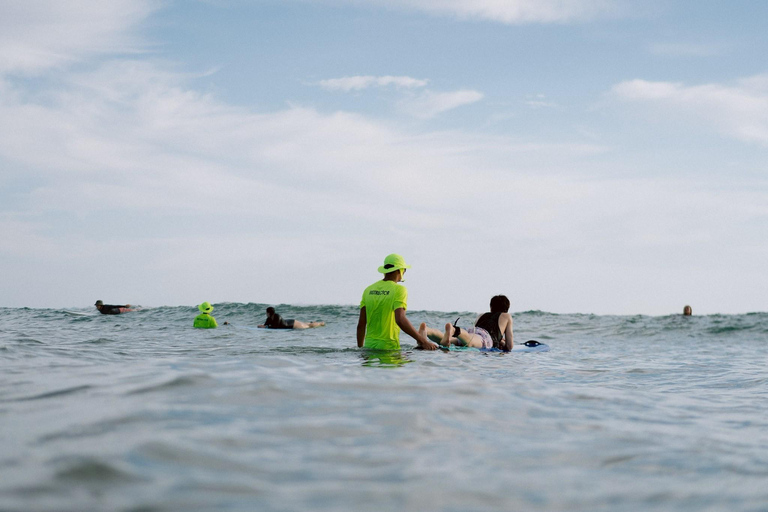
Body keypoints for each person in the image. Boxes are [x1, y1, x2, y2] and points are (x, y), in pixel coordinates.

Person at [357, 253, 437, 351]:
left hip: (368, 347)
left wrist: (361, 350)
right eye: (404, 270)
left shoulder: (368, 289)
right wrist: (423, 342)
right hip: (389, 348)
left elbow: (361, 324)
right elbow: (400, 319)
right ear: (399, 270)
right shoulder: (399, 290)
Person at [420, 295, 514, 352]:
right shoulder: (506, 316)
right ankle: (454, 330)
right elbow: (510, 345)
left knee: (452, 340)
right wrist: (504, 347)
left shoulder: (482, 315)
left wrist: (500, 341)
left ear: (491, 306)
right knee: (470, 342)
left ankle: (428, 330)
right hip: (483, 337)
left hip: (471, 332)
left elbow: (478, 330)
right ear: (506, 308)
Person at [258, 307, 325, 329]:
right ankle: (313, 322)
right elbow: (266, 325)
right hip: (288, 322)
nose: (266, 314)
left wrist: (265, 327)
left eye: (266, 313)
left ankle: (320, 323)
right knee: (306, 324)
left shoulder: (277, 317)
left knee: (308, 326)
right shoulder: (269, 319)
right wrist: (262, 326)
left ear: (269, 313)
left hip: (293, 324)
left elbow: (276, 326)